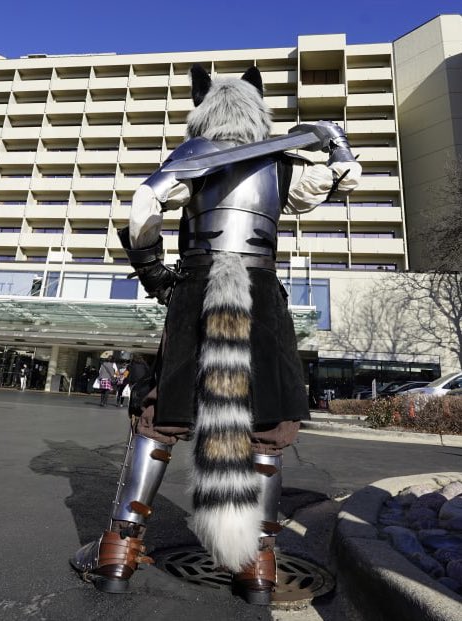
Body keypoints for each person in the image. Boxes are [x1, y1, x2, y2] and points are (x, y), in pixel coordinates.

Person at [71, 65, 361, 604]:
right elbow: (347, 178)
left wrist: (156, 276)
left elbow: (140, 206)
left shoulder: (191, 157)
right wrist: (336, 139)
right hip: (259, 288)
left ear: (201, 103)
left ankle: (119, 549)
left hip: (199, 287)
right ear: (258, 103)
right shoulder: (283, 161)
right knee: (268, 418)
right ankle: (258, 561)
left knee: (161, 414)